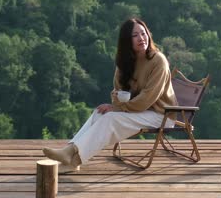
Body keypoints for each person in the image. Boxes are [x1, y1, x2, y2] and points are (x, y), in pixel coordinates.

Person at [42, 17, 177, 171]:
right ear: (127, 41)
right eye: (135, 35)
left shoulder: (158, 61)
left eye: (143, 33)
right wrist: (115, 105)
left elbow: (147, 99)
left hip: (161, 115)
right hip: (140, 110)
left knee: (111, 118)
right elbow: (117, 91)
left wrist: (118, 108)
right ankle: (71, 159)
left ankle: (71, 155)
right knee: (99, 113)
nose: (141, 38)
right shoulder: (126, 61)